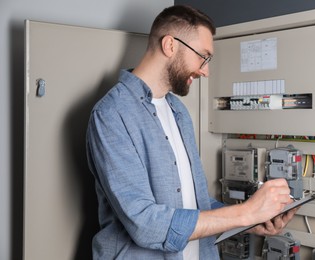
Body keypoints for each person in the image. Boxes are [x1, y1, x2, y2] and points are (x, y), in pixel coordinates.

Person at [86, 4, 296, 260]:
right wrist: (247, 213)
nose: (205, 71)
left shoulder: (178, 111)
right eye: (202, 56)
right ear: (170, 45)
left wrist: (253, 220)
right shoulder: (111, 114)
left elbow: (194, 205)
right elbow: (145, 224)